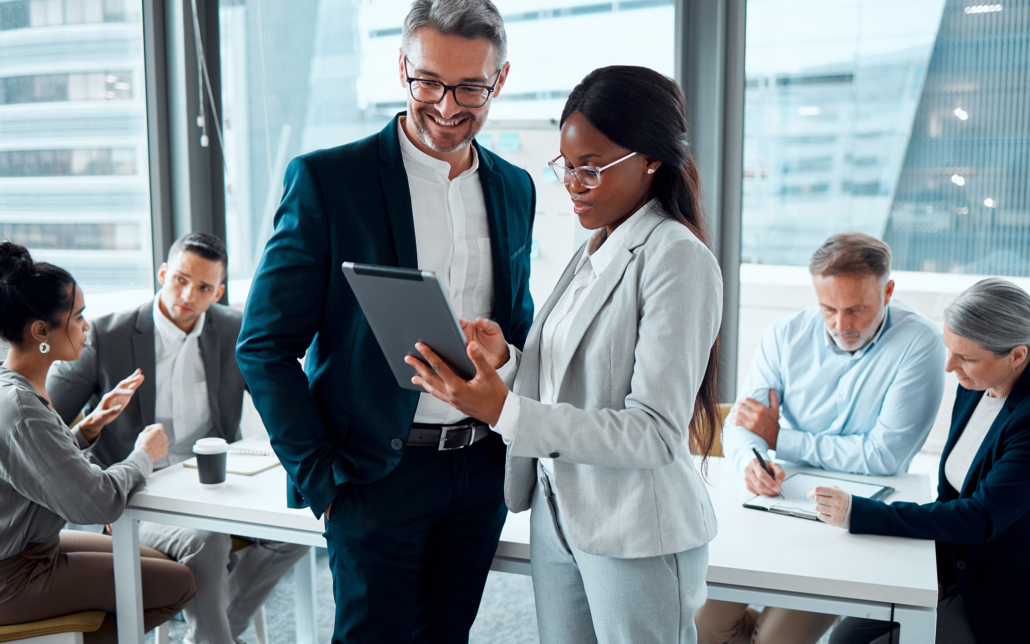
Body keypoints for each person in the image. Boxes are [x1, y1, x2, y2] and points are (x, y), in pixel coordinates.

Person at [234, 1, 535, 641]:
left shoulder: (516, 188)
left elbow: (519, 325)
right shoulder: (328, 180)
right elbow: (263, 345)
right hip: (373, 479)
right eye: (429, 81)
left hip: (478, 474)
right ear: (403, 69)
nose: (449, 106)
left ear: (500, 81)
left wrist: (505, 355)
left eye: (471, 87)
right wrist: (324, 479)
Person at [407, 65, 722, 643]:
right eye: (567, 167)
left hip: (634, 527)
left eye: (592, 168)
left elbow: (652, 433)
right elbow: (571, 382)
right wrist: (506, 363)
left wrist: (502, 410)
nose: (574, 184)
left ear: (651, 159)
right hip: (560, 510)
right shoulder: (596, 246)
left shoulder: (676, 256)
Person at [46, 232, 308, 644]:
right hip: (136, 494)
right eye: (181, 279)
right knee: (207, 540)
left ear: (218, 292)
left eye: (204, 287)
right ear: (163, 273)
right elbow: (50, 432)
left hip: (212, 482)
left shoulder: (235, 329)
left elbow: (278, 399)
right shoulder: (104, 335)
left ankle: (209, 633)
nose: (188, 294)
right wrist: (95, 430)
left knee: (297, 526)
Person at [696, 233, 946, 644]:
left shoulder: (919, 343)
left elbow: (884, 455)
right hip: (775, 506)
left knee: (776, 640)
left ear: (888, 291)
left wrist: (780, 436)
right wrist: (752, 460)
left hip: (852, 521)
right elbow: (743, 424)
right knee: (701, 628)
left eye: (856, 310)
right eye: (828, 308)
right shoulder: (785, 334)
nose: (841, 325)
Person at [815, 278, 1030, 644]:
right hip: (952, 568)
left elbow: (978, 517)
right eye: (950, 349)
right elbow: (950, 496)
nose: (949, 367)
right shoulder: (976, 388)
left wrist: (859, 512)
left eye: (967, 358)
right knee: (842, 639)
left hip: (997, 592)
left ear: (1017, 356)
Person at [0, 241, 196, 643]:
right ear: (41, 331)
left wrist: (88, 427)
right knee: (176, 583)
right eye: (79, 316)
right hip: (14, 574)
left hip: (33, 547)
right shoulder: (22, 406)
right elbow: (96, 501)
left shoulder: (14, 388)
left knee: (157, 565)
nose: (87, 326)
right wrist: (143, 456)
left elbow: (36, 466)